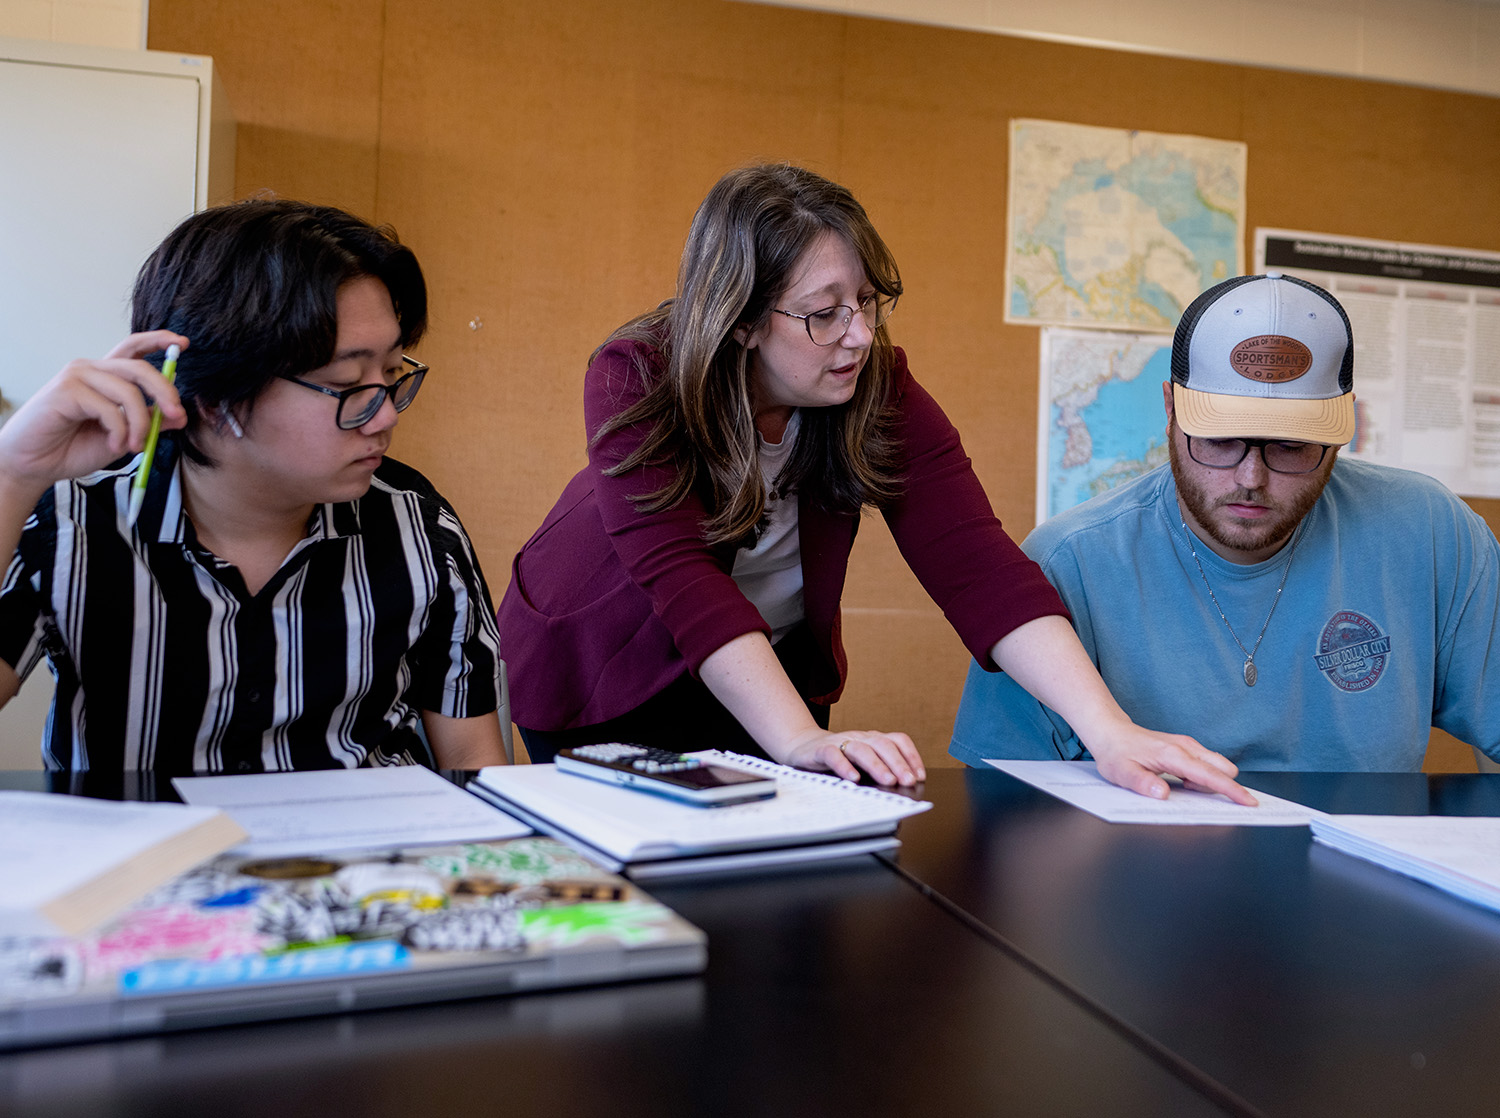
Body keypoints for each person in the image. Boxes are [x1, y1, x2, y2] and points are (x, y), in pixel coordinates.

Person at [498, 163, 1251, 800]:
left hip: (766, 668)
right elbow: (680, 576)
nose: (858, 333)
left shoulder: (873, 384)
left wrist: (1109, 732)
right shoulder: (639, 374)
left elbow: (977, 564)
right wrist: (793, 738)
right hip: (605, 663)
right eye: (824, 314)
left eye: (864, 302)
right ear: (741, 321)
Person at [0, 200, 507, 772]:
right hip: (143, 857)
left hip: (364, 856)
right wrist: (12, 474)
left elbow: (476, 770)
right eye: (345, 382)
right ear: (215, 399)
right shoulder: (70, 520)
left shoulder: (418, 527)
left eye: (391, 373)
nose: (385, 415)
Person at [951, 272, 1500, 782]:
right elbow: (1003, 803)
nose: (1251, 477)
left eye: (1291, 445)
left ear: (1341, 426)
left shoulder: (1429, 533)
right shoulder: (1068, 563)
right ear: (1170, 409)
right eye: (1218, 439)